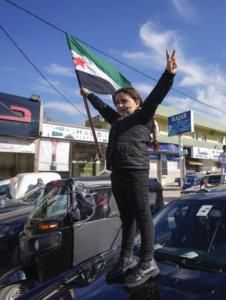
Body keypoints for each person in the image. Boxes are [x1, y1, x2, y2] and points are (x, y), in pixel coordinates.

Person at [81, 49, 177, 288]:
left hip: (136, 172)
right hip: (118, 173)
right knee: (127, 218)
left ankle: (147, 262)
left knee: (143, 216)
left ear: (137, 103)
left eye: (125, 101)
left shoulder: (143, 116)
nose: (120, 106)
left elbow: (156, 96)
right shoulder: (117, 120)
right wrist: (89, 95)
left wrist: (168, 74)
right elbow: (104, 109)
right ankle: (126, 259)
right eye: (118, 102)